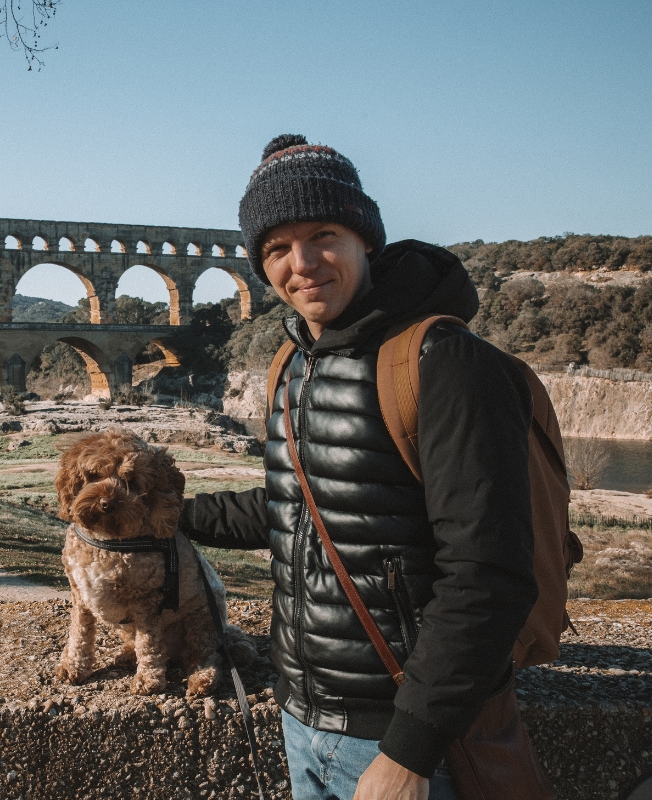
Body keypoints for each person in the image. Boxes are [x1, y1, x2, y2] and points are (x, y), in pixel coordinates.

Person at [179, 134, 538, 800]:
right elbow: (301, 503)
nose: (304, 263)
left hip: (401, 740)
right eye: (278, 249)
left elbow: (488, 574)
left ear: (365, 238)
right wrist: (166, 516)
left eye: (324, 234)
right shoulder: (293, 363)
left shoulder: (445, 363)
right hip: (300, 717)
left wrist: (408, 752)